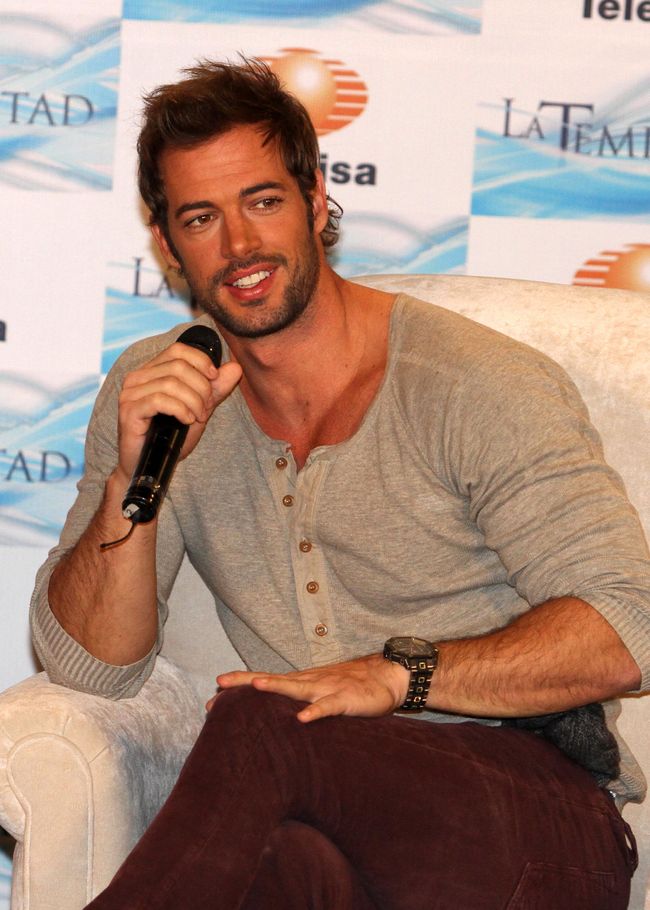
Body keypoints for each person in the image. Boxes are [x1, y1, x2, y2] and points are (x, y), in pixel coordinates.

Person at [30, 58, 650, 909]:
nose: (239, 246)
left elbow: (626, 626)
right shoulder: (162, 391)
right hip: (337, 817)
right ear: (168, 245)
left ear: (317, 203)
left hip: (539, 817)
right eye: (202, 218)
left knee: (262, 723)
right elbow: (89, 669)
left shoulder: (475, 383)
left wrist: (401, 675)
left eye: (263, 201)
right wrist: (130, 485)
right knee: (285, 868)